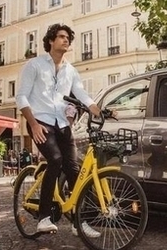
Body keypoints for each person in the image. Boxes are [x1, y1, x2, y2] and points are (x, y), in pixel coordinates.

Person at [16, 23, 102, 236]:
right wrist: (33, 124)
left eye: (68, 38)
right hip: (40, 121)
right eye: (62, 37)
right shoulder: (34, 65)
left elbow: (80, 93)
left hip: (62, 124)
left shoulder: (71, 70)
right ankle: (43, 218)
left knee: (74, 169)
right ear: (51, 41)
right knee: (55, 160)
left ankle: (79, 222)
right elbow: (21, 96)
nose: (66, 41)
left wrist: (95, 108)